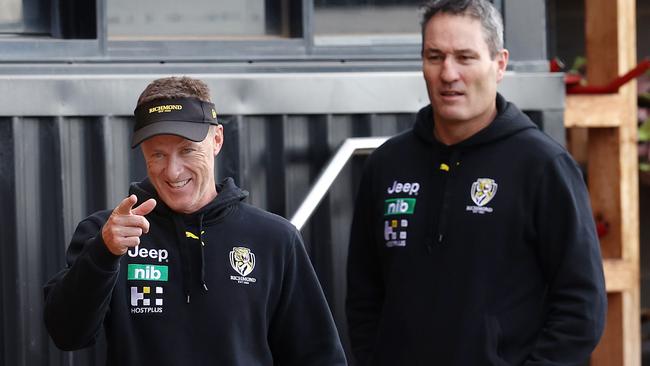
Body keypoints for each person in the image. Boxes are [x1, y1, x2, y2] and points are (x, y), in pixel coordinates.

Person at [345, 0, 607, 365]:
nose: (448, 73)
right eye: (434, 56)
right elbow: (364, 294)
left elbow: (582, 306)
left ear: (499, 64)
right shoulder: (388, 164)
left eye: (465, 57)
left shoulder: (542, 166)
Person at [44, 76, 347, 366]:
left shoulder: (274, 238)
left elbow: (318, 356)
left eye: (187, 150)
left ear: (216, 140)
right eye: (157, 155)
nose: (173, 171)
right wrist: (103, 253)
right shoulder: (106, 234)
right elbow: (67, 335)